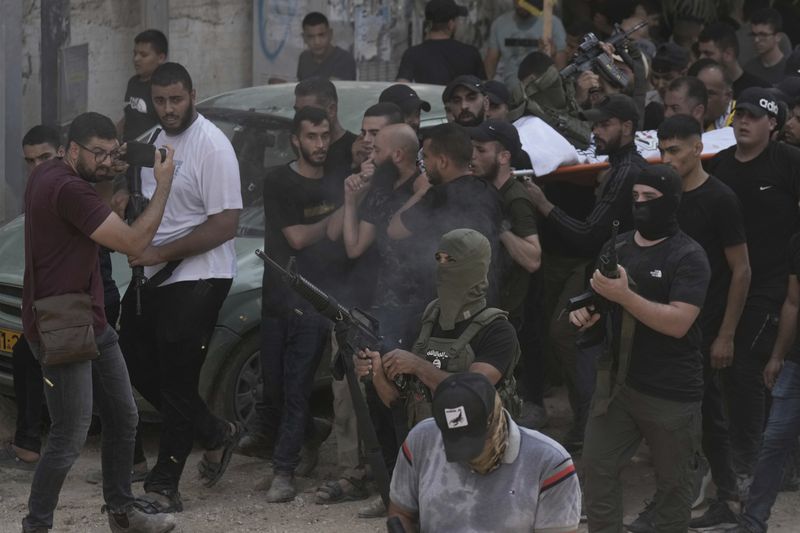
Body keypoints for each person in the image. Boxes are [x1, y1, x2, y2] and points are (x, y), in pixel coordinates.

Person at [21, 111, 177, 532]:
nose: (108, 160)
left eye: (114, 152)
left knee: (124, 416)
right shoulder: (70, 190)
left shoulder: (49, 172)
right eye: (100, 154)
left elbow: (95, 210)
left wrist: (107, 171)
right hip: (63, 326)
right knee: (69, 435)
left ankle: (122, 514)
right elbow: (132, 242)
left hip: (89, 319)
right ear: (73, 150)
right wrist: (162, 185)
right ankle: (36, 524)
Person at [116, 62, 243, 514]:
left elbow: (226, 224)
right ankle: (213, 431)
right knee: (127, 352)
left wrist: (157, 254)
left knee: (177, 375)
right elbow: (149, 204)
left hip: (201, 273)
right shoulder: (151, 141)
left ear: (193, 94)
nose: (169, 109)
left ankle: (165, 481)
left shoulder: (213, 146)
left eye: (177, 99)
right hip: (152, 273)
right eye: (161, 101)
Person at [570, 164, 710, 533]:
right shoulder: (616, 246)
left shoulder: (688, 255)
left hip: (670, 391)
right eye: (635, 198)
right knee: (598, 472)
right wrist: (586, 314)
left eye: (650, 198)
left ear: (672, 202)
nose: (640, 205)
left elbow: (679, 323)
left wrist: (626, 296)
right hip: (617, 385)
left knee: (673, 487)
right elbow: (600, 301)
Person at [628, 115, 751, 532]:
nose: (667, 157)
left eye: (675, 149)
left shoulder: (720, 199)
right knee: (668, 423)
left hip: (705, 327)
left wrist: (727, 334)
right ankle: (683, 500)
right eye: (662, 149)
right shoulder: (662, 195)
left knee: (706, 416)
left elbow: (742, 269)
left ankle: (726, 499)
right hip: (662, 327)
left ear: (699, 148)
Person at [523, 94, 648, 451]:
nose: (596, 132)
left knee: (571, 336)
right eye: (594, 125)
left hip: (614, 271)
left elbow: (588, 235)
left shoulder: (627, 171)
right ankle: (590, 422)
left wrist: (543, 204)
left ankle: (593, 424)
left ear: (627, 127)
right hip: (604, 267)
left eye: (604, 125)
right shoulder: (618, 168)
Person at [706, 87, 800, 495]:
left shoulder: (789, 162)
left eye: (753, 116)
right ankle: (756, 459)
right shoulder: (722, 165)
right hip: (729, 285)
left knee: (748, 365)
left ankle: (752, 463)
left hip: (777, 284)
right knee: (726, 372)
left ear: (773, 125)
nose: (743, 121)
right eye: (739, 114)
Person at [257, 106, 343, 503]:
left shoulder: (339, 181)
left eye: (325, 135)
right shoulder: (278, 182)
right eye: (312, 136)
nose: (320, 144)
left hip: (316, 300)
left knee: (296, 386)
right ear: (296, 139)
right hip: (277, 297)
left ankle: (284, 470)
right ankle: (312, 431)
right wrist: (339, 215)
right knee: (273, 388)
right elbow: (296, 239)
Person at [357, 228, 521, 425]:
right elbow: (398, 403)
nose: (442, 267)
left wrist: (418, 366)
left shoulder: (497, 331)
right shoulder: (423, 323)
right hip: (427, 447)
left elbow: (472, 393)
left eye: (450, 260)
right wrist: (376, 372)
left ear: (473, 267)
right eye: (439, 259)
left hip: (480, 449)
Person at [387, 372, 581, 533]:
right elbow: (401, 513)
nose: (467, 455)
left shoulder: (550, 462)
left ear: (494, 416)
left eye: (474, 439)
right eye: (455, 440)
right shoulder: (422, 440)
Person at [469, 120, 544, 430]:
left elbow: (533, 258)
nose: (472, 156)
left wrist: (501, 230)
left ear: (503, 157)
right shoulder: (488, 190)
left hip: (512, 310)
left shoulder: (515, 198)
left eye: (481, 150)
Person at [1, 126, 65, 471]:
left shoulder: (69, 190)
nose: (37, 167)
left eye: (45, 157)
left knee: (100, 383)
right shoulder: (36, 190)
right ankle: (27, 446)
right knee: (26, 354)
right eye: (30, 161)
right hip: (49, 302)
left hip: (74, 304)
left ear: (63, 153)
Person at [730, 233, 800, 533]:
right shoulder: (797, 241)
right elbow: (793, 301)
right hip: (796, 364)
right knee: (773, 442)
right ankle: (753, 523)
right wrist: (777, 356)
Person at [387, 123, 501, 274]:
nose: (423, 164)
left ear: (442, 161)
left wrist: (420, 192)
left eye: (426, 157)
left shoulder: (438, 197)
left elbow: (394, 230)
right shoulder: (489, 190)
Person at [396, 0, 485, 85]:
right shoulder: (471, 53)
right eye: (456, 20)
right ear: (450, 24)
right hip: (458, 101)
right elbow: (483, 89)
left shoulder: (411, 54)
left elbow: (402, 87)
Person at [483, 0, 568, 88]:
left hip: (540, 89)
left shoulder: (553, 23)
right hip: (509, 88)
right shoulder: (500, 23)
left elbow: (561, 65)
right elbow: (491, 58)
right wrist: (489, 85)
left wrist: (551, 55)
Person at [293, 77, 358, 180]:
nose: (300, 118)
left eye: (308, 111)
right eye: (297, 111)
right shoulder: (295, 144)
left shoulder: (356, 151)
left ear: (331, 110)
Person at [697, 22, 770, 99]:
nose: (701, 58)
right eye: (700, 53)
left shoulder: (759, 91)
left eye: (707, 53)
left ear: (728, 54)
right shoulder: (697, 89)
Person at [119, 29, 168, 142]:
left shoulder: (164, 89)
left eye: (143, 55)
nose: (136, 59)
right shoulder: (132, 82)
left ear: (160, 58)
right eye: (135, 53)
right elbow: (128, 115)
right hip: (127, 150)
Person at [296, 12, 356, 81]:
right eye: (311, 37)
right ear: (304, 38)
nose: (317, 42)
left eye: (321, 35)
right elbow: (300, 89)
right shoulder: (304, 58)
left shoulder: (345, 59)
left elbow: (343, 90)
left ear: (330, 34)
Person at [644, 43, 689, 130]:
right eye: (656, 77)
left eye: (667, 78)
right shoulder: (646, 102)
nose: (660, 85)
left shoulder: (693, 102)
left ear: (684, 74)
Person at [689, 59, 736, 131]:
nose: (701, 99)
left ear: (728, 96)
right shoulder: (686, 113)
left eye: (709, 94)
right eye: (698, 92)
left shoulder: (742, 119)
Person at [744, 8, 787, 85]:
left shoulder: (790, 70)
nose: (756, 40)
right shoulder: (749, 69)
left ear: (778, 37)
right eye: (754, 34)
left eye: (763, 35)